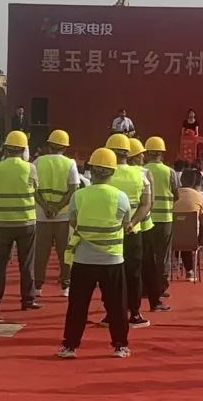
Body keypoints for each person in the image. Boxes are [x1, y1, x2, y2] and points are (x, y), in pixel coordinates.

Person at [58, 147, 131, 359]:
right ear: (112, 171)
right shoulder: (120, 197)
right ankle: (120, 345)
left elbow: (73, 220)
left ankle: (70, 346)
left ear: (91, 169)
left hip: (84, 259)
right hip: (112, 259)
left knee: (78, 305)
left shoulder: (79, 196)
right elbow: (125, 222)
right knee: (117, 305)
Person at [0, 131, 40, 323]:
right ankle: (28, 298)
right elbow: (35, 189)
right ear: (24, 149)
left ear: (6, 149)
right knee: (26, 263)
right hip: (26, 221)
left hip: (2, 221)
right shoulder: (30, 168)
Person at [105, 134, 151, 328]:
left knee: (110, 275)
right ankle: (135, 313)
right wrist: (132, 223)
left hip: (109, 232)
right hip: (133, 231)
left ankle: (111, 314)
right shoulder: (140, 175)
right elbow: (146, 204)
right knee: (133, 274)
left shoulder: (105, 174)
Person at [33, 130, 79, 298]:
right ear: (65, 148)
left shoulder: (38, 162)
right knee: (65, 252)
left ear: (49, 145)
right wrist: (58, 207)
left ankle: (37, 286)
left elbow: (33, 189)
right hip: (63, 216)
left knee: (41, 253)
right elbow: (73, 188)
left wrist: (46, 206)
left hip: (42, 215)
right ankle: (65, 285)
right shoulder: (70, 163)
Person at [128, 138, 168, 313]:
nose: (143, 157)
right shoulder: (145, 174)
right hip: (143, 225)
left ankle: (127, 304)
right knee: (149, 265)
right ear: (134, 156)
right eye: (140, 154)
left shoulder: (114, 173)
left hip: (123, 227)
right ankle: (154, 301)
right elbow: (149, 203)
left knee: (128, 268)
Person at [143, 137, 178, 300]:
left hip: (145, 219)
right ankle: (160, 287)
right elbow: (176, 194)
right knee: (163, 254)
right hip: (165, 218)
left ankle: (145, 286)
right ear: (162, 154)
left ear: (147, 153)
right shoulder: (169, 172)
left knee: (146, 254)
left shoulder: (142, 170)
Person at [173, 168, 203, 281]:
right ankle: (190, 269)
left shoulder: (173, 193)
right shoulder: (199, 196)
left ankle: (186, 267)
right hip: (192, 235)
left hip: (173, 234)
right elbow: (201, 214)